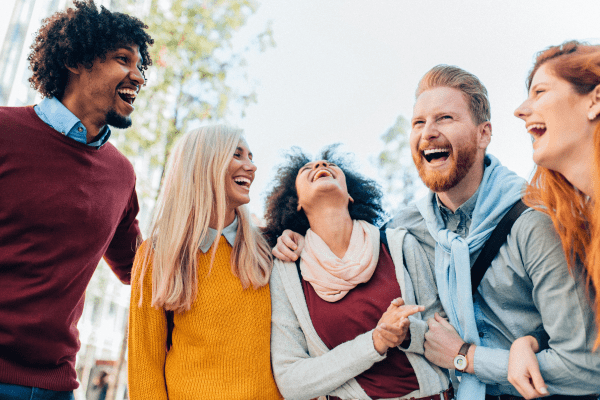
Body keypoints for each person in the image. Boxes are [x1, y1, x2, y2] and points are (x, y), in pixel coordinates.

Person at [274, 66, 600, 399]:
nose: (428, 132)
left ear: (483, 134)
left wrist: (467, 358)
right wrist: (295, 237)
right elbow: (347, 242)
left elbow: (586, 369)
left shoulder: (535, 221)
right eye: (418, 123)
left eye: (445, 118)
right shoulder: (406, 229)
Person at [0, 1, 153, 399]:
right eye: (124, 59)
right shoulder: (4, 132)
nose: (137, 76)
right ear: (76, 60)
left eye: (140, 66)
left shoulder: (121, 174)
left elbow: (140, 267)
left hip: (54, 386)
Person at [264, 146, 452, 400]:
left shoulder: (399, 246)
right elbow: (291, 383)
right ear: (295, 201)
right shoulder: (287, 271)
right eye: (307, 169)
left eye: (329, 166)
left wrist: (407, 334)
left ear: (351, 194)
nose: (320, 166)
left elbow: (444, 333)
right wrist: (374, 342)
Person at [128, 125, 282, 399]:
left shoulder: (270, 247)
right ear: (204, 164)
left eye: (251, 156)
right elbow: (145, 367)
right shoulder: (156, 253)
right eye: (237, 155)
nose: (251, 167)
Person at [510, 40, 600, 399]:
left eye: (540, 91)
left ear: (595, 100)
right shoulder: (585, 226)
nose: (520, 110)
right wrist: (530, 341)